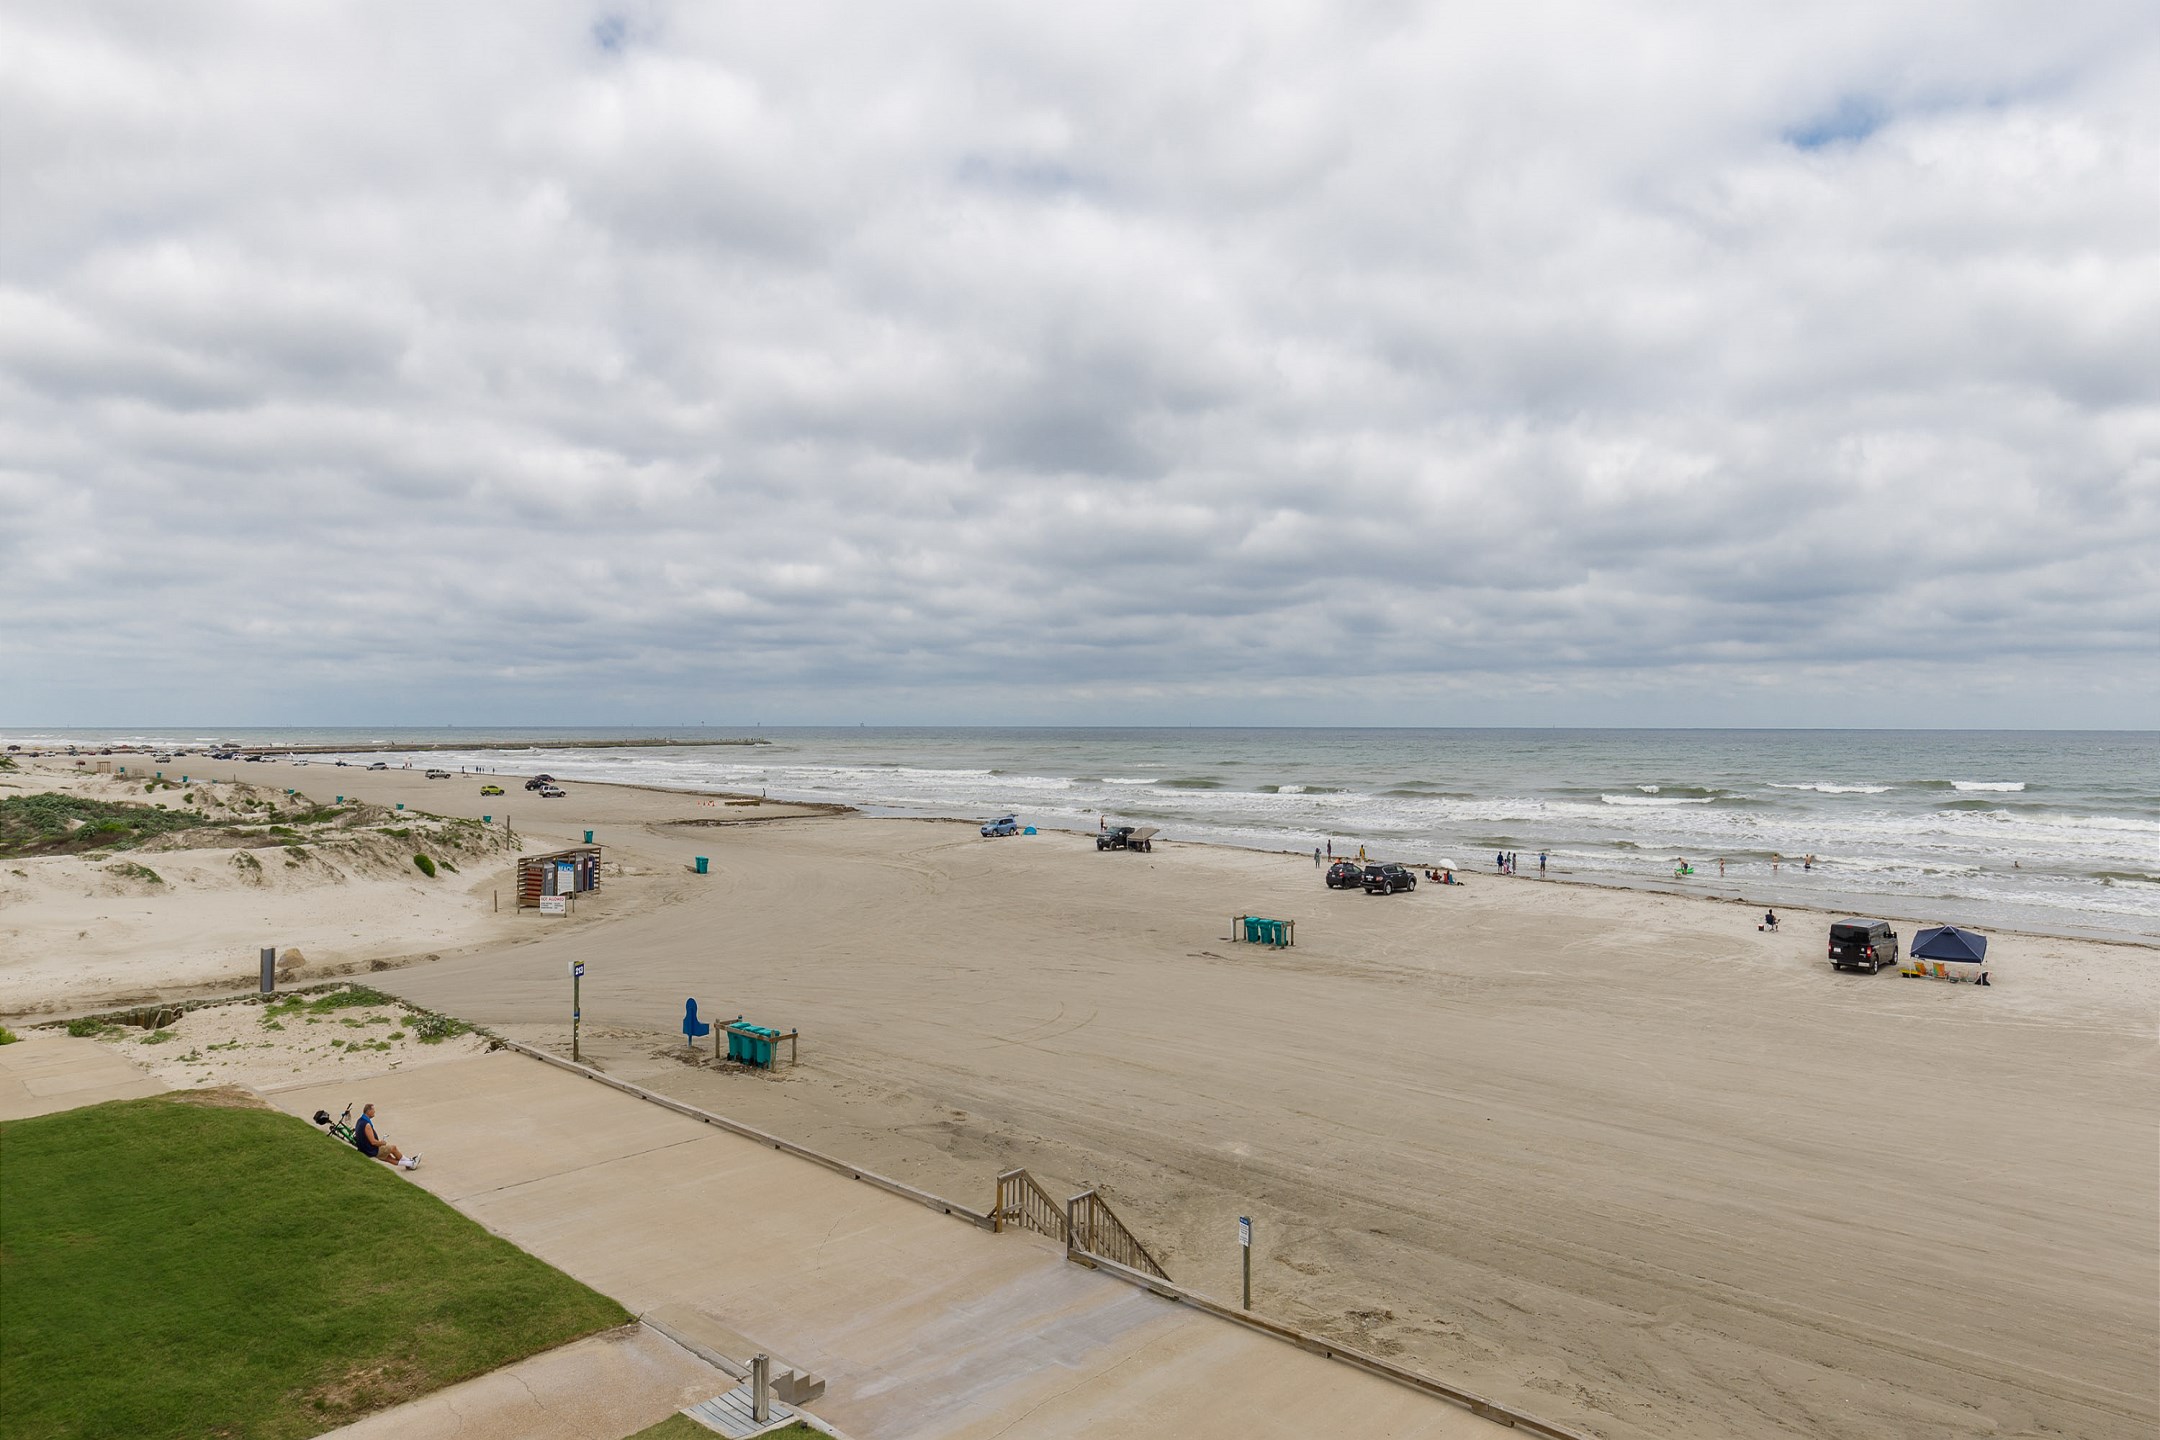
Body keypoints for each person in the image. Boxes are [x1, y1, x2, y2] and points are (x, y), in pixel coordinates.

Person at [353, 1103, 420, 1170]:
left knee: (388, 1158)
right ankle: (410, 1162)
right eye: (373, 1110)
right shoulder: (367, 1125)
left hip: (365, 1149)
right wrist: (382, 1143)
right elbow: (373, 1142)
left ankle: (409, 1164)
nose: (374, 1112)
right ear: (369, 1111)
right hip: (371, 1150)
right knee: (393, 1148)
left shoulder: (360, 1120)